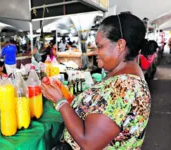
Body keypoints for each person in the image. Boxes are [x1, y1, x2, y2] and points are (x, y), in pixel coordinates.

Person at [41, 13, 151, 150]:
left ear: (120, 45)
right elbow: (101, 108)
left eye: (100, 46)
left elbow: (89, 143)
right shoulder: (123, 78)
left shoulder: (125, 87)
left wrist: (60, 102)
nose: (96, 53)